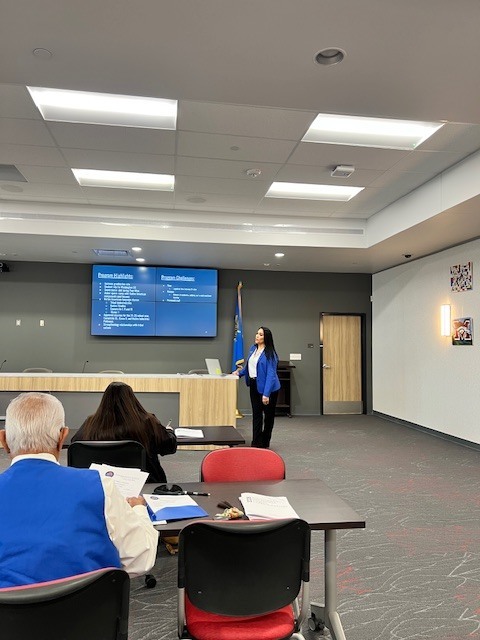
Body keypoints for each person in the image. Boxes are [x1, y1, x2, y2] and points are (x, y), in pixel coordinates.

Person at [0, 392, 158, 588]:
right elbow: (140, 559)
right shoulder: (100, 486)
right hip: (89, 616)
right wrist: (139, 510)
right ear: (62, 437)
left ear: (4, 440)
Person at [72, 381, 177, 483]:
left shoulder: (91, 422)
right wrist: (169, 432)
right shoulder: (147, 421)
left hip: (101, 483)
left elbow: (76, 444)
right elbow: (169, 446)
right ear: (131, 399)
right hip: (144, 485)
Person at [234, 326, 281, 448]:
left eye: (260, 334)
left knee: (268, 417)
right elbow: (249, 367)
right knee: (256, 415)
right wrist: (238, 373)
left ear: (266, 338)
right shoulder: (252, 349)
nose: (257, 336)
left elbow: (271, 375)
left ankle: (265, 442)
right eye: (257, 333)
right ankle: (256, 443)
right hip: (254, 385)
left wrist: (266, 394)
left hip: (269, 388)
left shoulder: (270, 354)